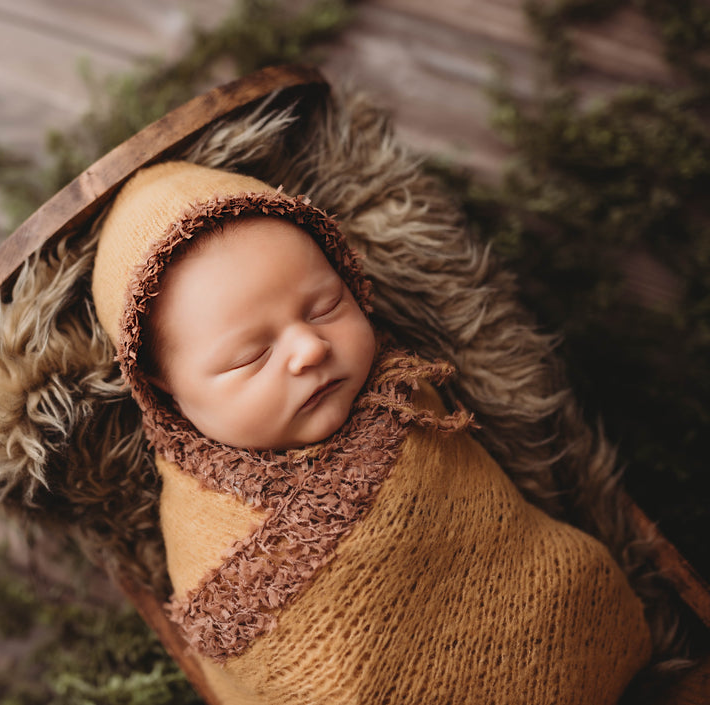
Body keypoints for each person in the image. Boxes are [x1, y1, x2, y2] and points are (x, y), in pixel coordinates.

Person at [90, 160, 652, 705]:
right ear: (161, 387)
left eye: (326, 306)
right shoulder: (206, 531)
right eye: (251, 356)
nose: (311, 349)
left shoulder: (404, 392)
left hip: (562, 612)